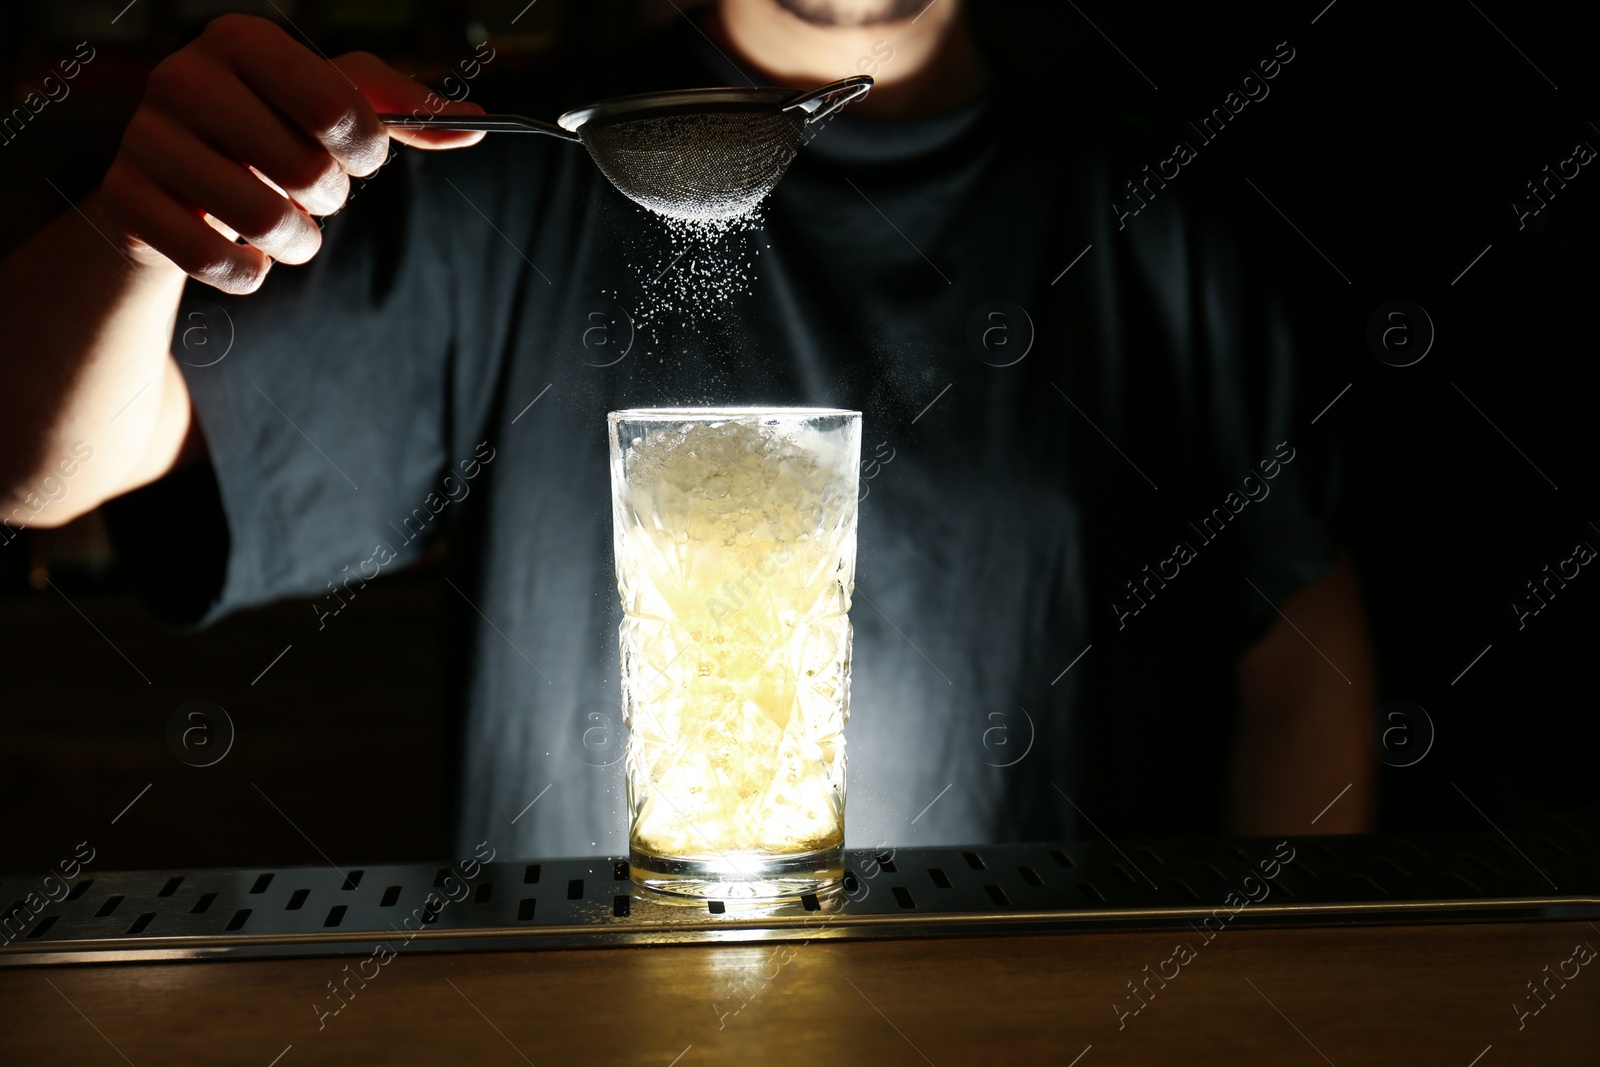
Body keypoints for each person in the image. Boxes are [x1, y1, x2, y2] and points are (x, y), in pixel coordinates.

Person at [0, 0, 1376, 860]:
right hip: (589, 1010)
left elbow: (1298, 654)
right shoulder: (497, 195)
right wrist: (138, 236)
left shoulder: (1152, 219)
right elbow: (38, 467)